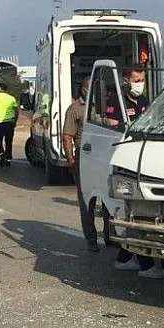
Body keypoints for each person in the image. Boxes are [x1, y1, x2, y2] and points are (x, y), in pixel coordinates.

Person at [103, 66, 164, 279]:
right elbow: (113, 128)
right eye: (136, 79)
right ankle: (146, 265)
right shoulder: (115, 101)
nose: (139, 83)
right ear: (126, 81)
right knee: (136, 211)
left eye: (142, 79)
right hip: (125, 160)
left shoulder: (145, 101)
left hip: (143, 159)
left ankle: (125, 258)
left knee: (135, 211)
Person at [62, 76, 101, 253]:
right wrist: (70, 159)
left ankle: (110, 236)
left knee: (108, 203)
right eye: (88, 87)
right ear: (82, 89)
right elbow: (67, 136)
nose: (90, 90)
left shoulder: (102, 107)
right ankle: (91, 239)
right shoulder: (74, 109)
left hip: (102, 157)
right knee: (87, 203)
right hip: (83, 158)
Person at [0, 83, 19, 167]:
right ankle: (8, 159)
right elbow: (16, 111)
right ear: (6, 90)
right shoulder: (11, 98)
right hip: (9, 122)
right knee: (8, 141)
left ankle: (1, 153)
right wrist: (15, 121)